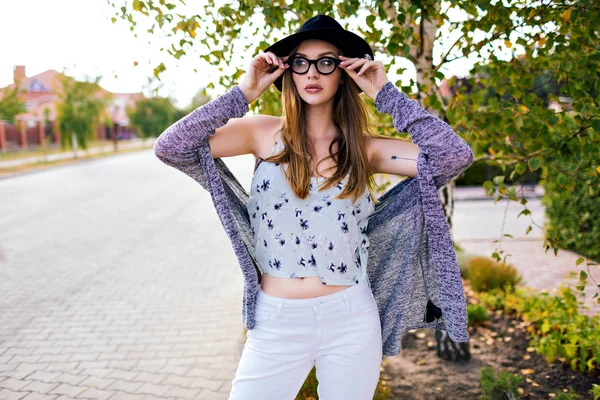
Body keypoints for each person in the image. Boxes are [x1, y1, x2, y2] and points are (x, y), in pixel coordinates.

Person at [154, 14, 473, 400]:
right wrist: (242, 93)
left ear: (344, 72)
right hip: (277, 320)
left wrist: (385, 92)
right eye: (301, 62)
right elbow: (170, 147)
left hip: (351, 317)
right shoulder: (261, 133)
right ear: (288, 72)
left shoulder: (365, 148)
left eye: (326, 62)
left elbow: (453, 157)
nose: (312, 73)